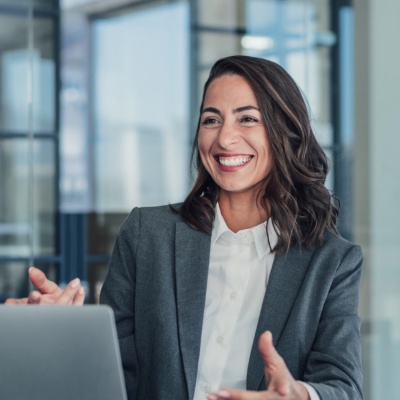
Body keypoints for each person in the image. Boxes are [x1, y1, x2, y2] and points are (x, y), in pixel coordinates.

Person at [6, 55, 363, 400]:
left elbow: (343, 386)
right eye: (211, 120)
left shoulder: (332, 262)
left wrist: (300, 396)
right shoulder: (147, 235)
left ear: (286, 131)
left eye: (247, 119)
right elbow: (114, 376)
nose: (224, 138)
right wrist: (65, 337)